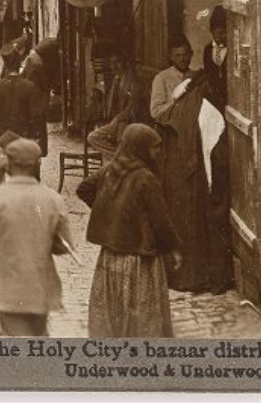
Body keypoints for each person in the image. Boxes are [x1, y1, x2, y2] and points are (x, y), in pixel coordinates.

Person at [0, 136, 72, 337]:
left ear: (9, 164)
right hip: (41, 288)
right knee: (38, 339)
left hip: (7, 289)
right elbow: (64, 246)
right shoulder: (53, 200)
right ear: (37, 164)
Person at [85, 124, 183, 337]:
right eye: (154, 148)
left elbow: (84, 189)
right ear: (140, 149)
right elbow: (161, 221)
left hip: (111, 256)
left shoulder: (109, 170)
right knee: (142, 315)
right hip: (139, 260)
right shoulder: (146, 178)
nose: (157, 153)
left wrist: (111, 211)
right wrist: (174, 249)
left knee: (114, 310)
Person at [159, 76, 235, 293]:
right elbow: (210, 151)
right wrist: (211, 185)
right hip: (195, 180)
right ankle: (204, 277)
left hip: (176, 182)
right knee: (201, 225)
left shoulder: (176, 107)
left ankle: (183, 276)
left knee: (184, 227)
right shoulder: (208, 112)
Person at [0, 50, 50, 172]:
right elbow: (35, 115)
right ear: (19, 65)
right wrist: (34, 136)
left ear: (6, 66)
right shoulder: (29, 86)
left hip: (3, 133)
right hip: (23, 134)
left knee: (2, 170)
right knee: (24, 169)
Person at [151, 40, 196, 126]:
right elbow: (155, 112)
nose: (182, 59)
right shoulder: (161, 78)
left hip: (191, 127)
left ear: (191, 54)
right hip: (169, 128)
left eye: (185, 55)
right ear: (171, 57)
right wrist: (175, 101)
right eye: (177, 56)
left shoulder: (195, 77)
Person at [201, 7, 230, 106]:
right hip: (214, 98)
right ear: (211, 31)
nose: (224, 36)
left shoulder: (232, 49)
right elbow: (208, 73)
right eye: (220, 33)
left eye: (226, 32)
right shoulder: (208, 50)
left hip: (230, 97)